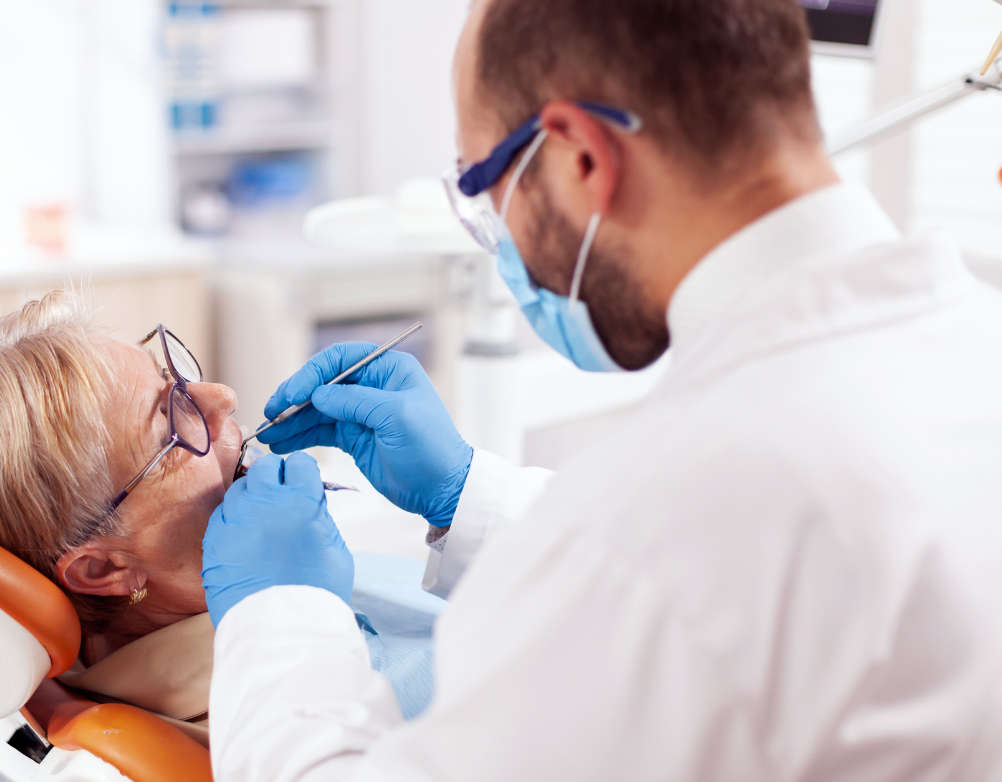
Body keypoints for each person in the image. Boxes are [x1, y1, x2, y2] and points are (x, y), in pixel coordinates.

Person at [199, 0, 1002, 779]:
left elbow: (667, 572)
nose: (498, 236)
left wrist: (281, 617)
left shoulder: (650, 531)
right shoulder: (972, 342)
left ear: (583, 156)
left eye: (485, 191)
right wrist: (467, 493)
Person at [0, 292, 444, 726]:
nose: (222, 398)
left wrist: (458, 505)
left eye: (175, 376)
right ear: (103, 569)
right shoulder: (287, 712)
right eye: (171, 419)